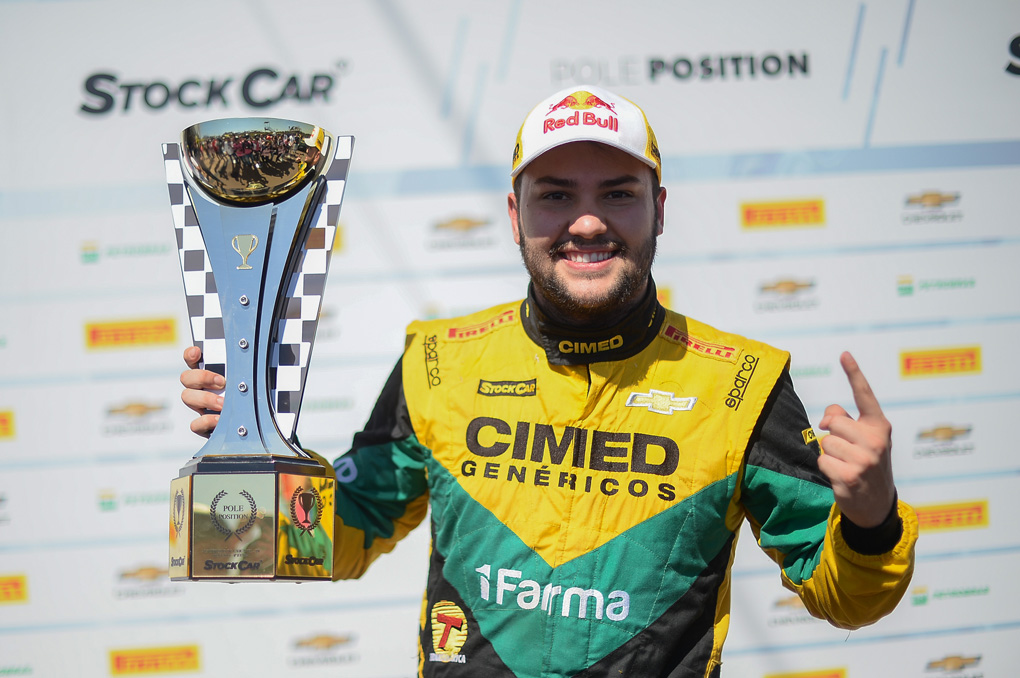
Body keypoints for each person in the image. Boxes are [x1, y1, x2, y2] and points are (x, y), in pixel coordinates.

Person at [181, 86, 917, 677]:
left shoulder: (742, 384)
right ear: (515, 214)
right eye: (557, 195)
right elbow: (340, 533)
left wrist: (871, 519)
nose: (587, 223)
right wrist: (248, 462)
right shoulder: (439, 362)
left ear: (660, 209)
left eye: (618, 194)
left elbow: (849, 600)